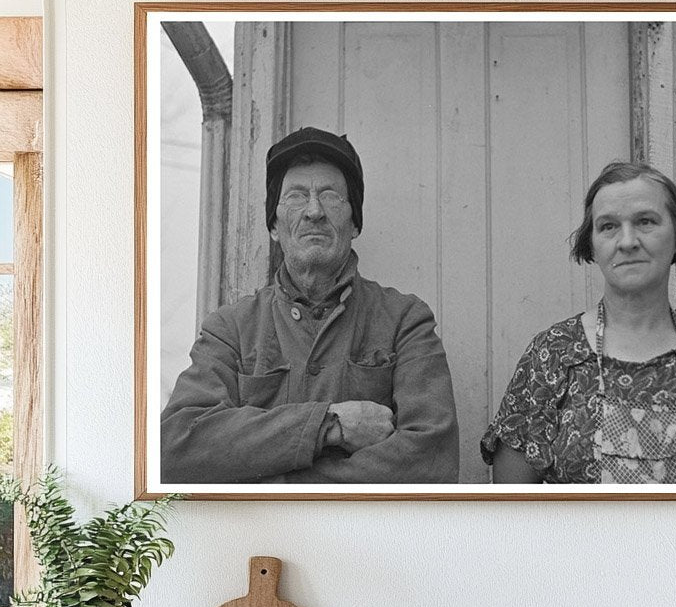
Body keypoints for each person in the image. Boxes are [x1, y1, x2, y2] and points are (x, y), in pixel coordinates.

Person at [162, 127, 459, 484]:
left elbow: (431, 461)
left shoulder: (404, 320)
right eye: (296, 197)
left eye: (331, 196)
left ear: (355, 223)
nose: (314, 211)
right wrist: (329, 424)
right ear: (274, 225)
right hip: (261, 541)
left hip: (366, 538)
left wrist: (275, 482)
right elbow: (177, 446)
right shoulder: (231, 329)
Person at [481, 161, 676, 484]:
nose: (628, 241)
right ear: (591, 244)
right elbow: (512, 511)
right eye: (608, 226)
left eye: (645, 221)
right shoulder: (551, 356)